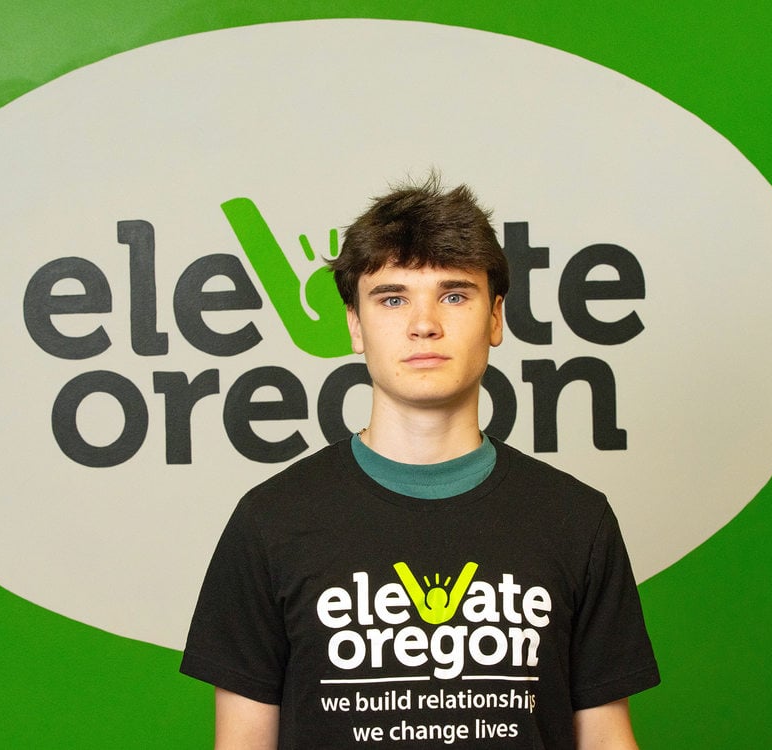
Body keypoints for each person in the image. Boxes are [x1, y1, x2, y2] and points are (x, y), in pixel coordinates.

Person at [180, 176, 660, 748]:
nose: (424, 323)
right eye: (392, 298)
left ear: (496, 317)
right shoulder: (270, 521)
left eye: (454, 295)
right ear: (355, 325)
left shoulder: (577, 520)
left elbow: (606, 737)